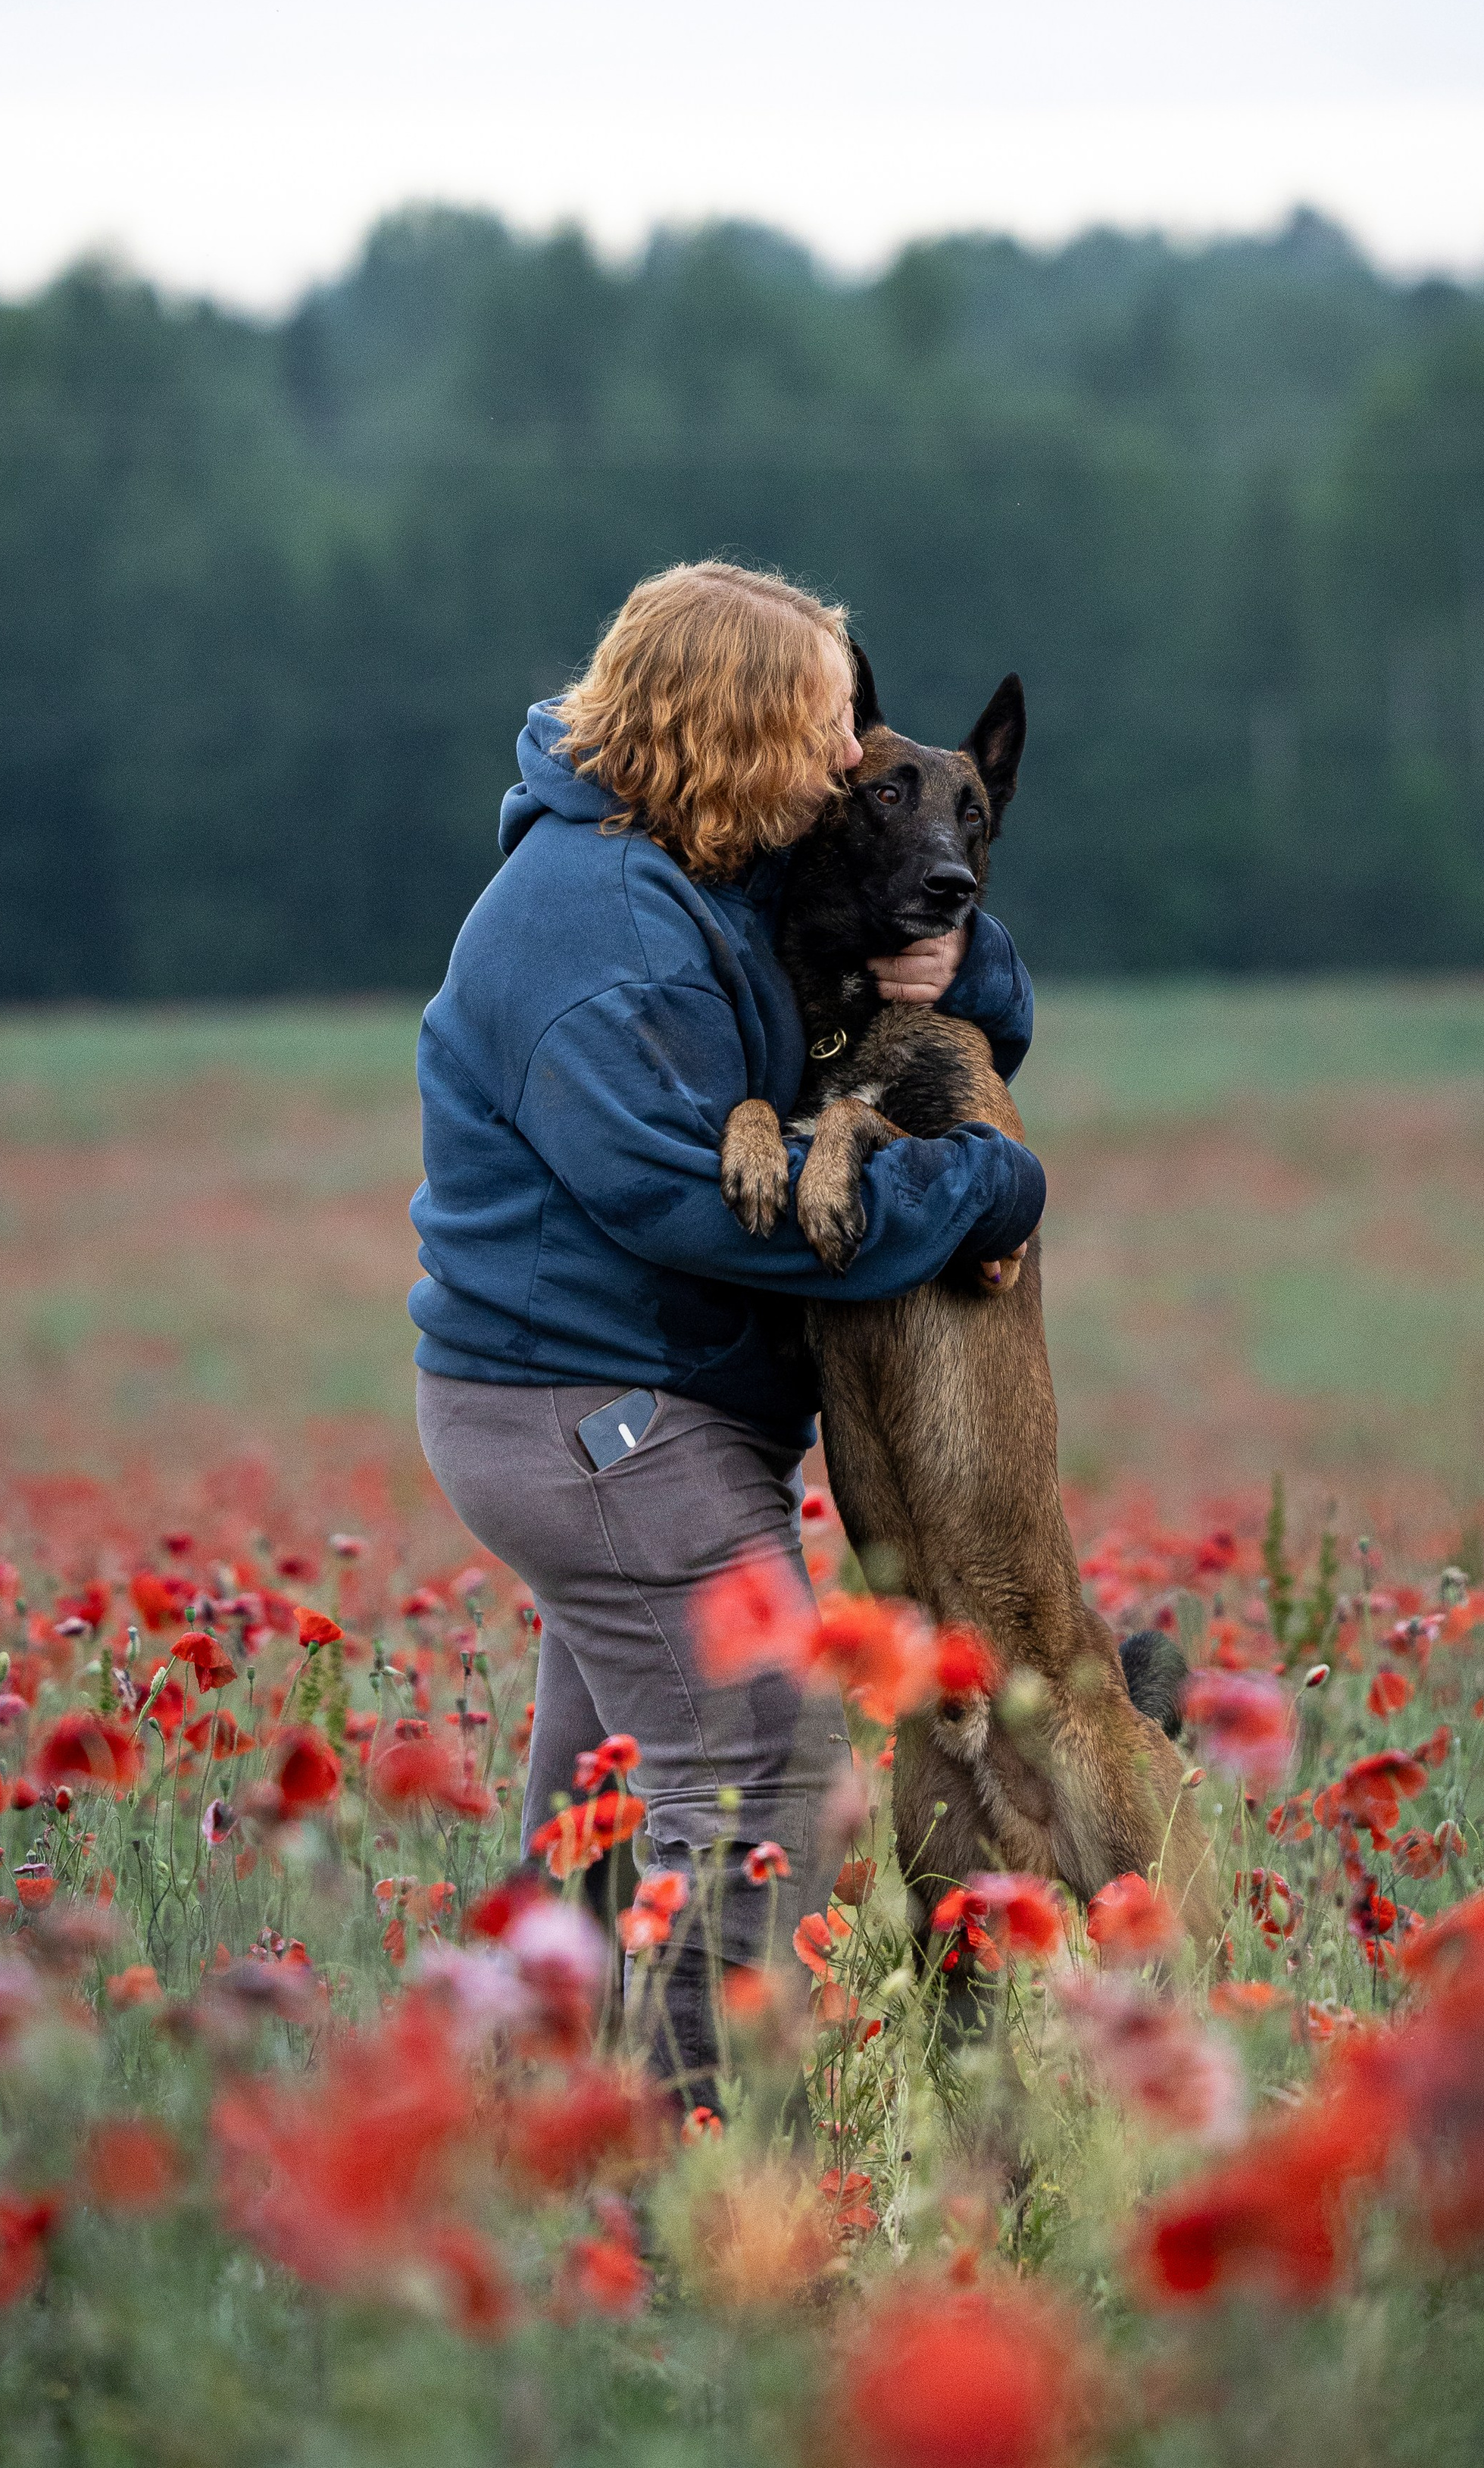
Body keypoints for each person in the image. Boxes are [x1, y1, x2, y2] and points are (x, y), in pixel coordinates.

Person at [410, 561, 1044, 2107]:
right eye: (824, 728)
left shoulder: (700, 859)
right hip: (601, 1419)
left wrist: (962, 961)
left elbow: (896, 935)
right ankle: (700, 2177)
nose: (845, 762)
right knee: (759, 1766)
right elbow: (695, 1206)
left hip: (623, 1406)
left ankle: (508, 2144)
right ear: (741, 729)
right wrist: (985, 1187)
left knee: (607, 1808)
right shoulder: (595, 929)